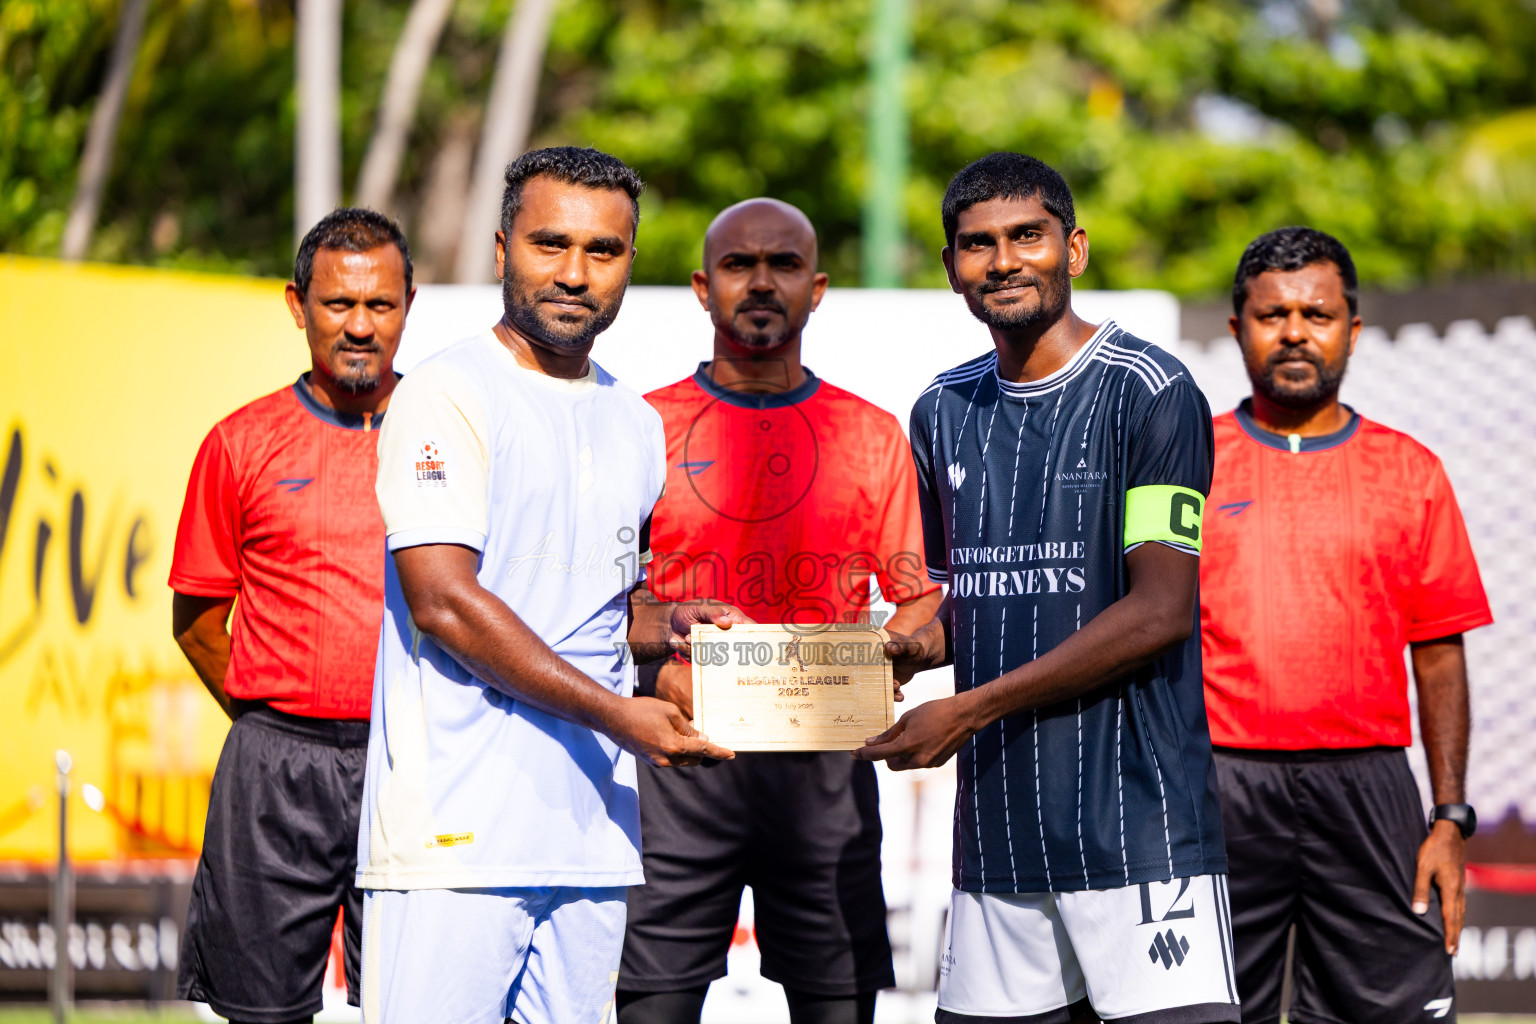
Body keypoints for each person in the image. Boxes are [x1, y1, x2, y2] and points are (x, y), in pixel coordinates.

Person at [355, 147, 742, 1024]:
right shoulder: (448, 393)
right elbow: (444, 601)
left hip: (589, 837)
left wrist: (671, 624)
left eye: (602, 251)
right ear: (501, 251)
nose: (574, 273)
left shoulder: (637, 421)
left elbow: (597, 602)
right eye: (549, 244)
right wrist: (619, 714)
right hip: (452, 839)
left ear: (630, 266)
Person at [856, 152, 1239, 1024]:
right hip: (997, 837)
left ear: (1075, 250)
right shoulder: (941, 409)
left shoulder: (1153, 393)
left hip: (1142, 831)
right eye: (976, 245)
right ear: (951, 268)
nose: (1002, 261)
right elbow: (971, 597)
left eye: (1026, 236)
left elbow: (1158, 611)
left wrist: (967, 709)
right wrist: (913, 648)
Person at [616, 199, 944, 1024]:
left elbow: (922, 603)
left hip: (823, 771)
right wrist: (661, 675)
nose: (761, 283)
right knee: (650, 1004)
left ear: (819, 286)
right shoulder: (636, 427)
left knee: (837, 1004)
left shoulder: (871, 436)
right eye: (738, 264)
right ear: (701, 286)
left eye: (784, 265)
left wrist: (885, 660)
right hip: (677, 764)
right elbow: (596, 605)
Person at [1199, 227, 1493, 1024]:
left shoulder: (1411, 471)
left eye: (1317, 314)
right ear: (1237, 330)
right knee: (1206, 1011)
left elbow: (1439, 653)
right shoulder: (1189, 461)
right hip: (1219, 785)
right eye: (1273, 315)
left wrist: (1449, 817)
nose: (1295, 331)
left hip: (1370, 789)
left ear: (1352, 331)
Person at [169, 207, 414, 1024]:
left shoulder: (452, 432)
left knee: (416, 1004)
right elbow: (199, 620)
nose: (359, 325)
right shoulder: (241, 442)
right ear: (296, 305)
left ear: (407, 306)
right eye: (338, 304)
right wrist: (274, 722)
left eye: (379, 305)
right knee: (260, 1013)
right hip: (276, 768)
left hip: (417, 762)